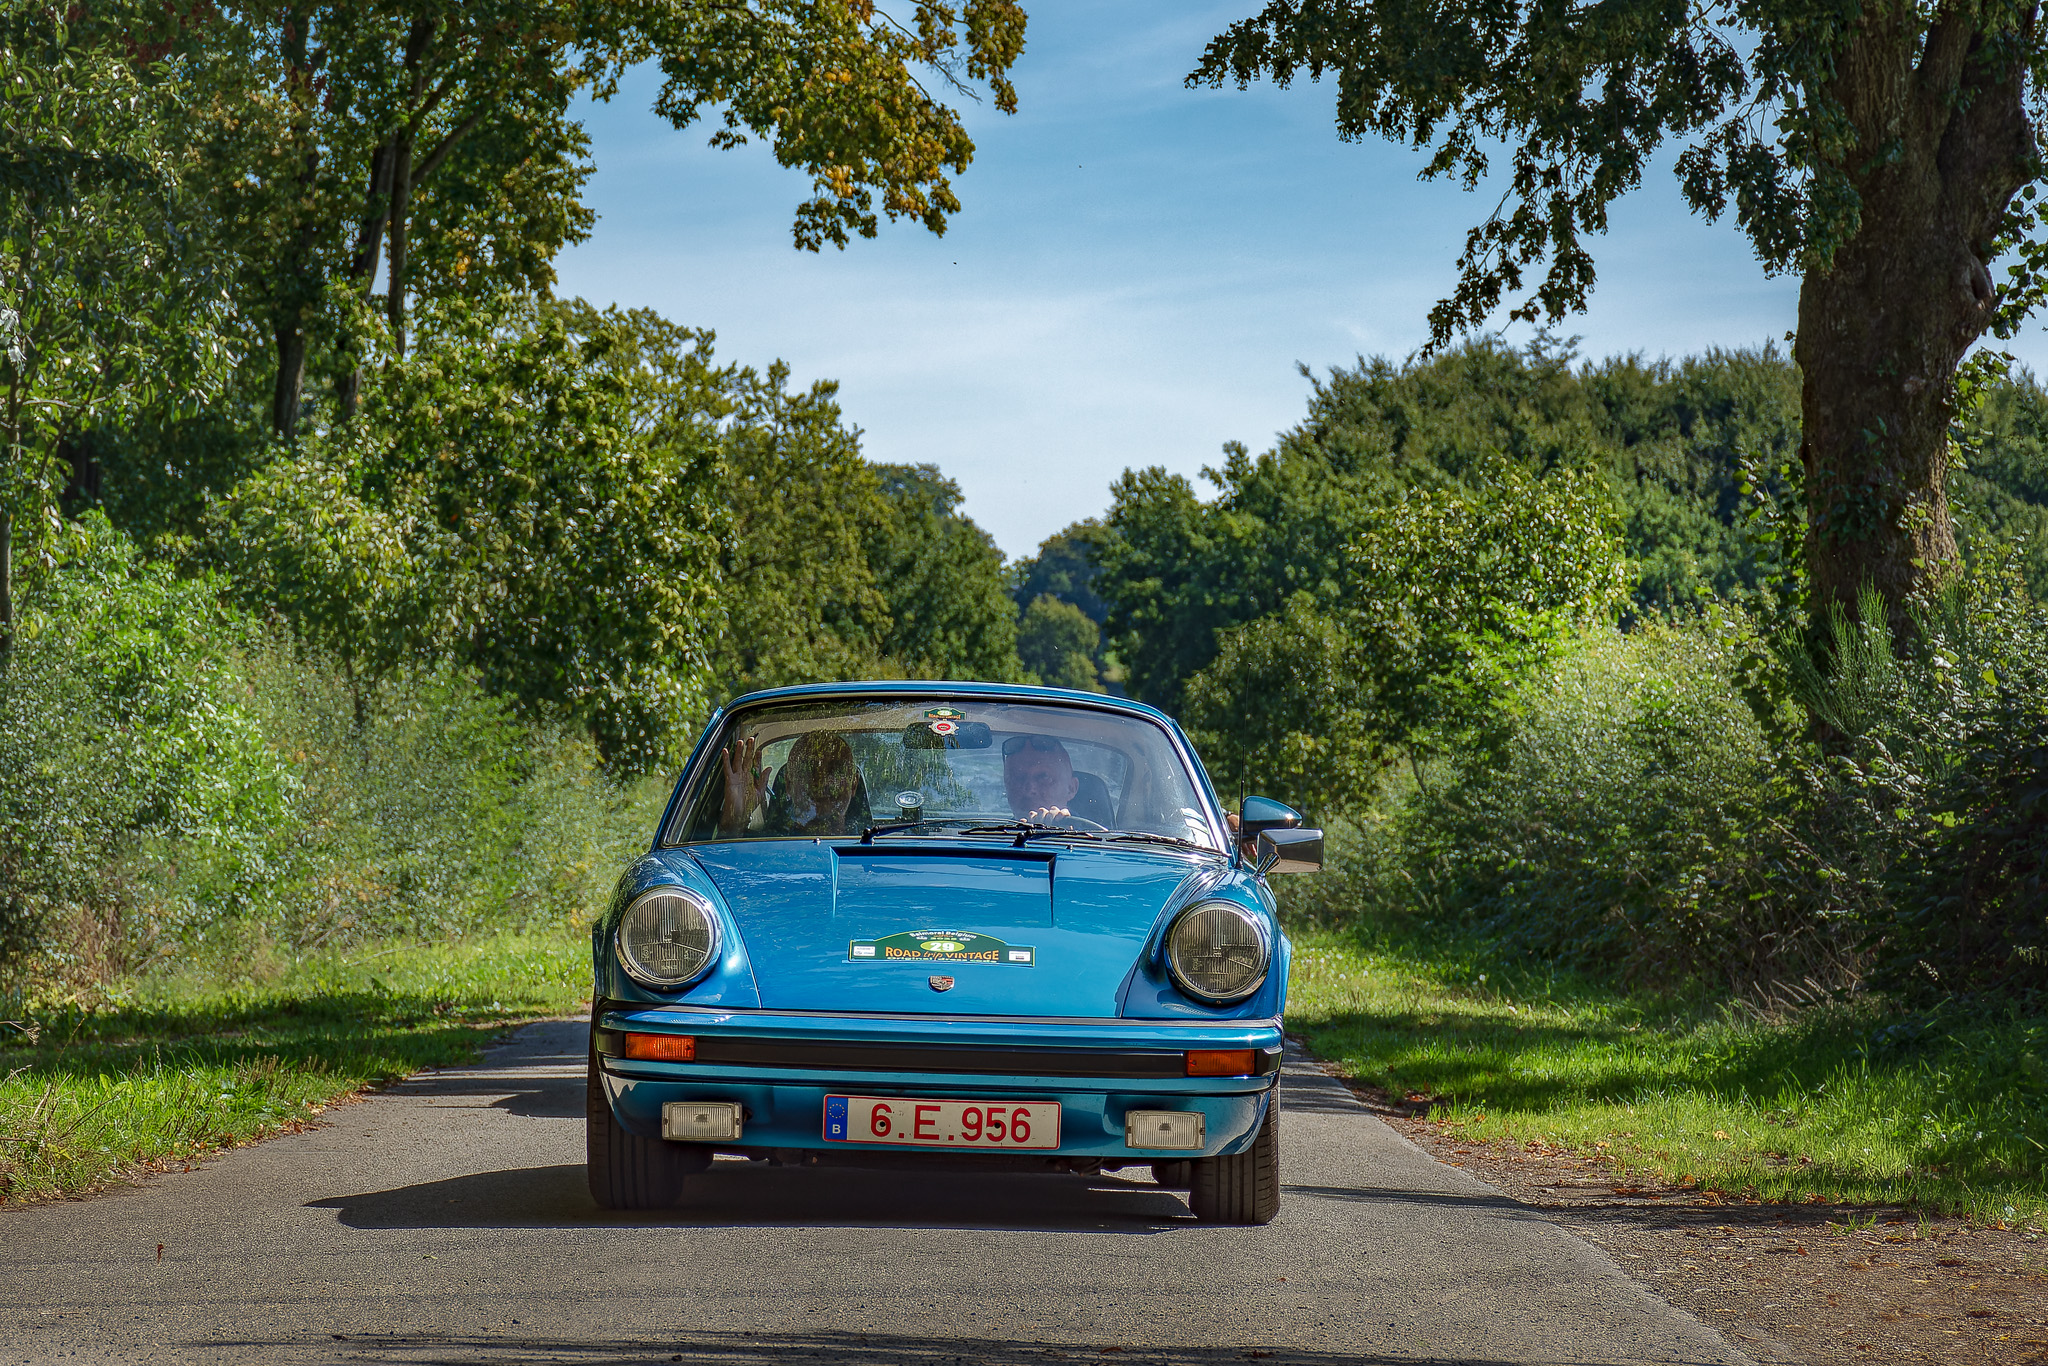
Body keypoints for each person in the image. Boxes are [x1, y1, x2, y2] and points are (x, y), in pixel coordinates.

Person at [718, 730, 861, 837]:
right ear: (788, 784)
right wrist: (733, 823)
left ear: (853, 785)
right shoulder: (763, 843)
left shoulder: (873, 848)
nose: (821, 781)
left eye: (835, 770)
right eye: (808, 770)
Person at [1002, 734, 1081, 824]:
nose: (1030, 789)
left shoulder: (1090, 831)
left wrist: (1066, 829)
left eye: (1044, 778)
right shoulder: (994, 831)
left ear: (1071, 789)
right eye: (1017, 778)